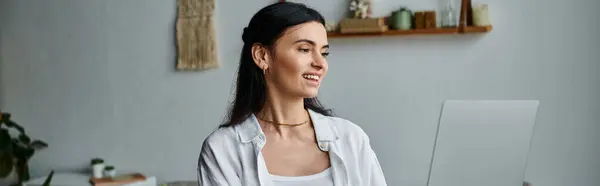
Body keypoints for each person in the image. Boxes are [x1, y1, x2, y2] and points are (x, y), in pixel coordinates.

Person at [197, 2, 387, 186]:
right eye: (305, 49)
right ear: (262, 56)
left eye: (324, 53)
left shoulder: (351, 139)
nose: (321, 64)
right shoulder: (222, 149)